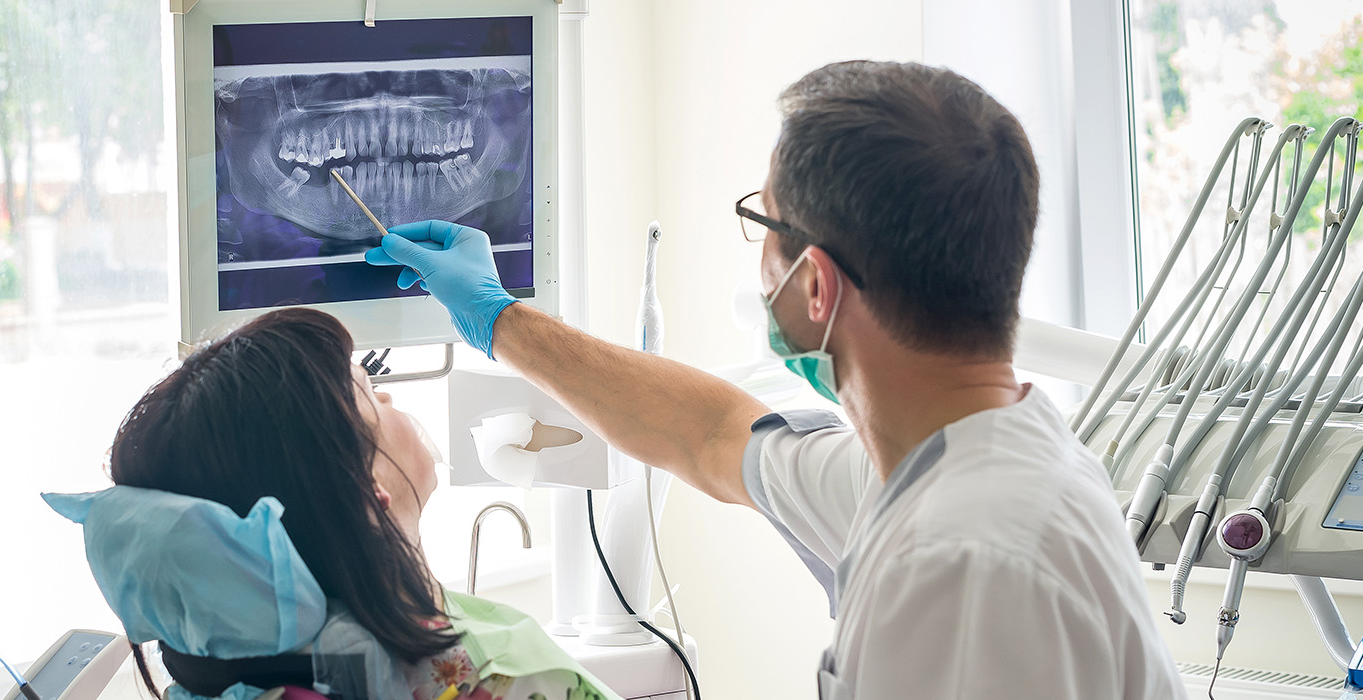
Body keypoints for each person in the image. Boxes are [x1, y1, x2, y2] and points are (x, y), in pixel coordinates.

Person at [364, 61, 1184, 699]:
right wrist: (499, 318)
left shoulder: (959, 566)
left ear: (818, 287)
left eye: (762, 222)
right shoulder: (950, 463)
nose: (756, 259)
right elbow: (712, 434)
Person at [47, 308, 621, 700]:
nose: (391, 395)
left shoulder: (229, 677)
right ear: (366, 494)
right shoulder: (501, 678)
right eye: (369, 393)